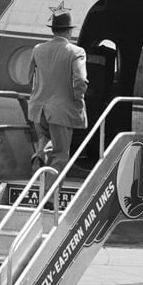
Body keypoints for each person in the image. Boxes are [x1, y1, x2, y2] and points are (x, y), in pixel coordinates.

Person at [27, 10, 88, 173]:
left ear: (53, 30)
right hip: (61, 110)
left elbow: (28, 78)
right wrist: (77, 101)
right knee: (60, 155)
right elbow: (80, 80)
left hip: (38, 109)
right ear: (69, 31)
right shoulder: (76, 52)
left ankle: (39, 155)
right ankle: (49, 196)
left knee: (46, 140)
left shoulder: (38, 49)